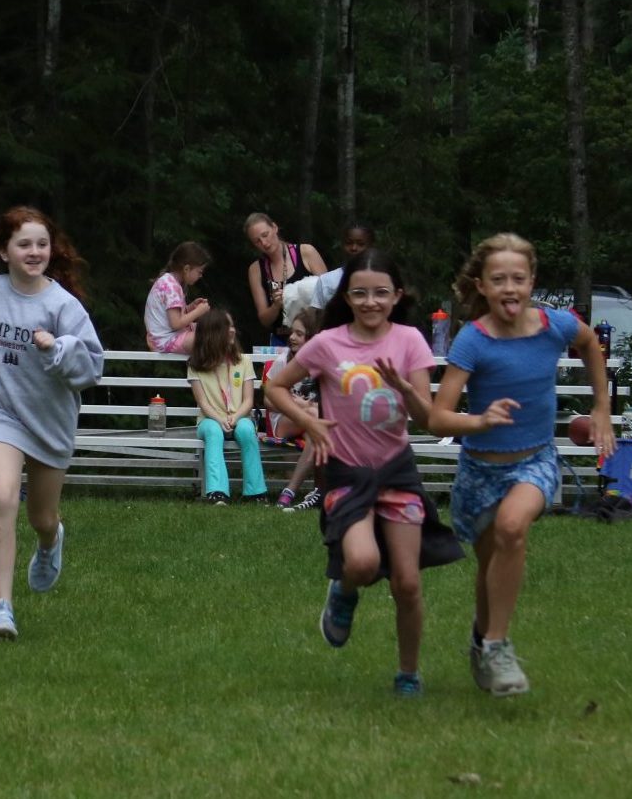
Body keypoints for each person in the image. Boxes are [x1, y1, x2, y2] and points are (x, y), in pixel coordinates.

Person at [266, 249, 462, 696]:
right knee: (362, 561)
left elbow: (428, 418)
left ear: (396, 296)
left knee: (408, 582)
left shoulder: (411, 340)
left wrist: (405, 390)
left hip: (396, 472)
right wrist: (310, 422)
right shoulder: (327, 343)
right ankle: (344, 593)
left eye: (380, 293)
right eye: (360, 293)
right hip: (346, 474)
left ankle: (408, 673)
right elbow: (274, 386)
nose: (371, 302)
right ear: (347, 297)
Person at [428, 233, 616, 697]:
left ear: (532, 281)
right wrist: (480, 419)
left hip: (535, 461)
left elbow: (591, 344)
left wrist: (601, 407)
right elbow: (437, 418)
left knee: (514, 528)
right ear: (482, 286)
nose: (509, 288)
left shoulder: (555, 325)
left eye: (518, 278)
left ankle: (496, 645)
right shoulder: (474, 340)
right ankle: (481, 639)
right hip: (480, 471)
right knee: (490, 564)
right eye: (498, 280)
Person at [0, 206, 103, 641]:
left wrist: (59, 348)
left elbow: (90, 369)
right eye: (24, 244)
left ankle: (51, 542)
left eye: (42, 244)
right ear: (3, 251)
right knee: (3, 496)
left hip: (49, 421)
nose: (35, 252)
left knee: (41, 517)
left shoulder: (62, 305)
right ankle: (2, 609)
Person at [185, 308, 268, 506]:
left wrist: (236, 417)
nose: (232, 330)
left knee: (248, 431)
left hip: (240, 418)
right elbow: (203, 403)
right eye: (227, 326)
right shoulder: (195, 365)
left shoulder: (243, 361)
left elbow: (248, 400)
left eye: (232, 325)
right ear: (213, 333)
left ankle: (256, 492)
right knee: (214, 432)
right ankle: (217, 492)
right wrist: (220, 419)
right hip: (209, 420)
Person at [262, 308, 322, 510]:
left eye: (299, 333)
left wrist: (308, 406)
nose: (293, 337)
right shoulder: (285, 361)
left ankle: (290, 492)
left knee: (317, 428)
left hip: (312, 421)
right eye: (292, 332)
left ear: (312, 337)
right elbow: (268, 400)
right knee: (318, 420)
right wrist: (296, 404)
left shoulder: (323, 362)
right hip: (283, 421)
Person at [244, 213, 327, 345]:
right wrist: (276, 306)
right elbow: (264, 320)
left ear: (275, 228)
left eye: (265, 235)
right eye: (257, 241)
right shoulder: (256, 270)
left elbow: (329, 295)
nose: (264, 243)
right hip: (282, 339)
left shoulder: (306, 252)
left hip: (313, 337)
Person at [143, 241, 211, 353]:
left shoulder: (169, 281)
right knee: (211, 337)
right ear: (187, 269)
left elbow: (172, 316)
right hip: (165, 340)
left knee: (216, 329)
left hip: (165, 337)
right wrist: (198, 312)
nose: (200, 275)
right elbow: (176, 324)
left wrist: (190, 307)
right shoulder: (171, 286)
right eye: (199, 271)